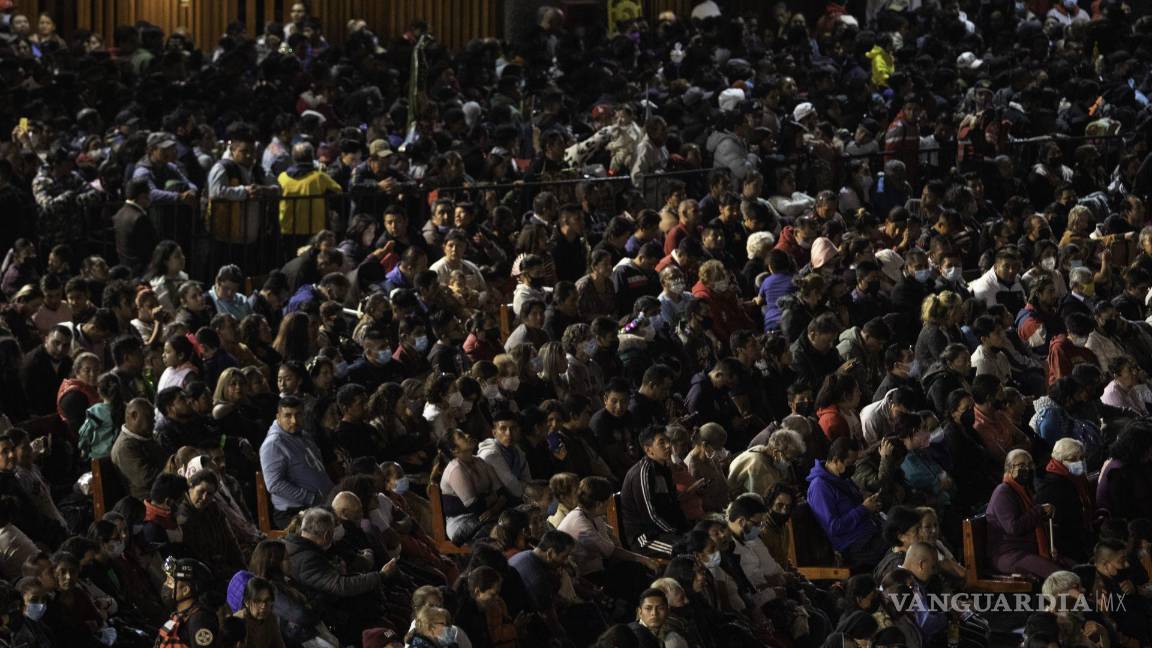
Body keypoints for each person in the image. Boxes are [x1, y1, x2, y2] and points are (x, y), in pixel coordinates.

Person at [986, 449, 1068, 580]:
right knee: (1061, 577)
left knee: (1071, 567)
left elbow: (1032, 521)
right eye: (1022, 465)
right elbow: (1013, 527)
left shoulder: (1024, 491)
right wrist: (1039, 510)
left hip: (1026, 550)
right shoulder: (1003, 492)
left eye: (1030, 465)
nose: (1027, 469)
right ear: (1009, 468)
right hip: (1009, 554)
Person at [806, 437, 885, 571]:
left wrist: (869, 504)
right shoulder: (820, 487)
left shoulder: (840, 478)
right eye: (850, 464)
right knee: (899, 545)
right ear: (836, 460)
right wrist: (864, 509)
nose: (852, 468)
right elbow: (833, 527)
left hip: (869, 532)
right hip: (855, 544)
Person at [259, 396, 334, 527]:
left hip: (320, 505)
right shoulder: (273, 444)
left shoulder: (303, 435)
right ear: (278, 417)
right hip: (294, 513)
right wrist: (311, 498)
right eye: (287, 416)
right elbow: (274, 484)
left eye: (298, 415)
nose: (293, 421)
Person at [620, 427, 690, 557]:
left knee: (699, 539)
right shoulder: (643, 473)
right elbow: (650, 515)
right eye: (661, 443)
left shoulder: (665, 468)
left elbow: (673, 502)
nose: (668, 445)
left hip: (664, 530)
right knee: (684, 549)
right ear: (648, 450)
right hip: (646, 537)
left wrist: (687, 529)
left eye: (668, 441)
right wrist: (675, 532)